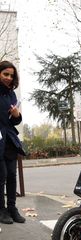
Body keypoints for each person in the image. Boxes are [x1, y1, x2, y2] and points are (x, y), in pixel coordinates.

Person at [0, 60, 26, 224]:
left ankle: (12, 208)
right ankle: (1, 210)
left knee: (11, 175)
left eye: (11, 75)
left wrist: (17, 115)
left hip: (9, 139)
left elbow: (13, 121)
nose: (9, 78)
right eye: (5, 74)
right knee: (0, 176)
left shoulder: (11, 94)